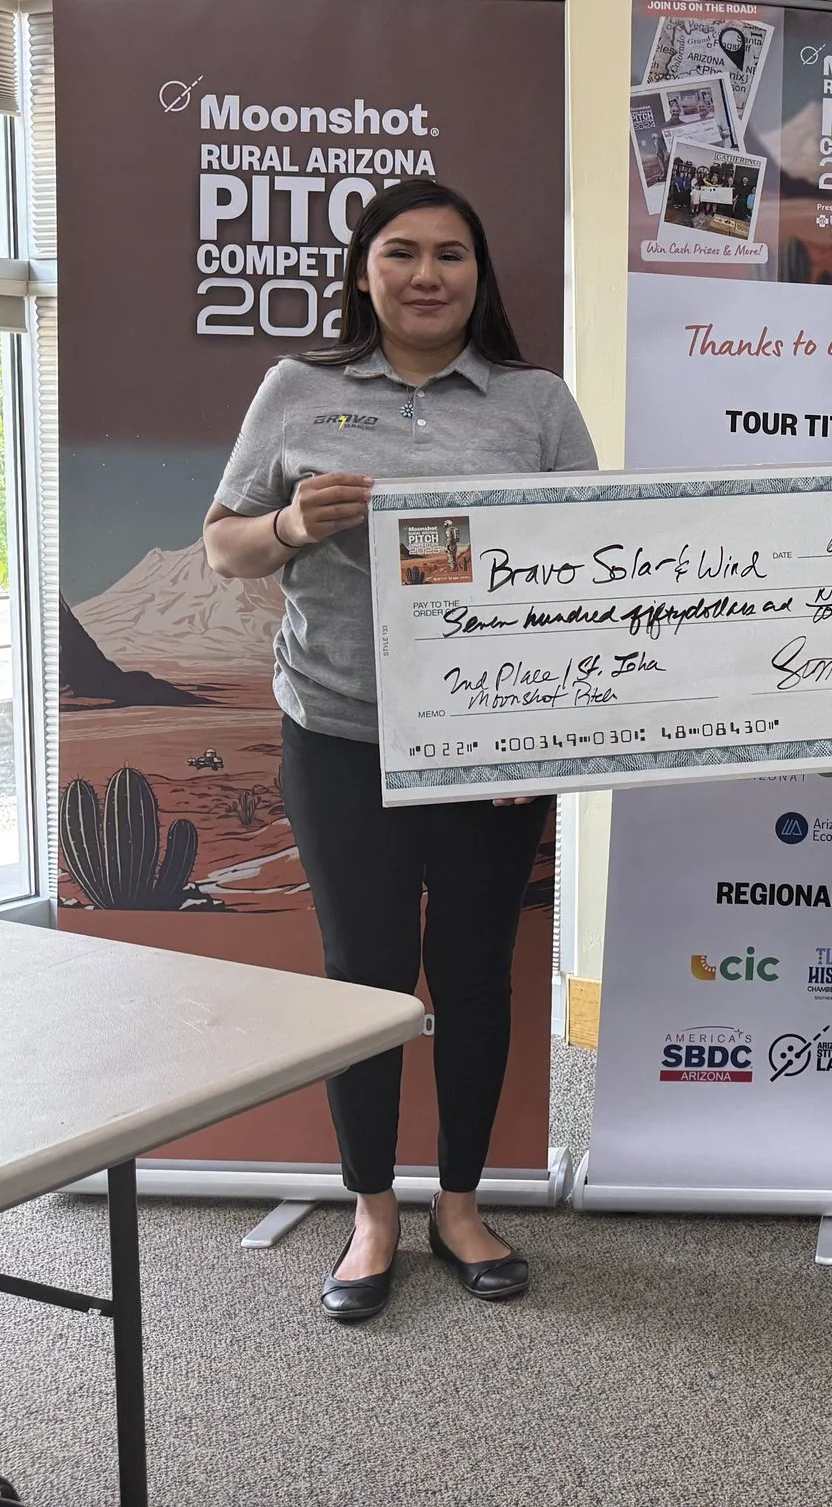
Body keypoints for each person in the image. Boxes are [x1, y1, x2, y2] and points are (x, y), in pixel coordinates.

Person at [203, 178, 597, 1324]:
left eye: (453, 256)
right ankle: (372, 1207)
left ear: (482, 274)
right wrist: (287, 526)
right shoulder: (297, 390)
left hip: (489, 748)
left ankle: (461, 1202)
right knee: (364, 980)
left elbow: (592, 565)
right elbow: (224, 545)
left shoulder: (534, 404)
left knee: (477, 977)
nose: (428, 276)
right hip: (338, 737)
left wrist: (555, 723)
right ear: (364, 271)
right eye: (403, 254)